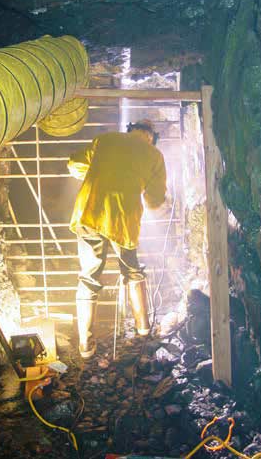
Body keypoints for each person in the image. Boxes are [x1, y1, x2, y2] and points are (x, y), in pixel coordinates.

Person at [68, 119, 167, 358]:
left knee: (89, 275)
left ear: (130, 129)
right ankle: (143, 330)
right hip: (122, 218)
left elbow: (73, 164)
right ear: (150, 136)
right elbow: (154, 201)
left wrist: (97, 176)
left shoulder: (106, 139)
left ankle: (85, 344)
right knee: (132, 271)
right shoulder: (154, 155)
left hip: (88, 211)